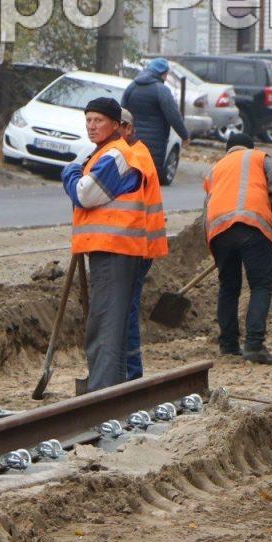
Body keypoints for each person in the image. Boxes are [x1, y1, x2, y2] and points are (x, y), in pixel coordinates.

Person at [61, 96, 154, 391]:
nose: (91, 126)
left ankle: (104, 390)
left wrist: (71, 171)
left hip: (116, 248)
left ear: (117, 125)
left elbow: (85, 193)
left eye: (98, 120)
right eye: (88, 120)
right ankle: (111, 386)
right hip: (111, 247)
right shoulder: (107, 153)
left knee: (106, 323)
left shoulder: (116, 156)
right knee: (108, 321)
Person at [204, 132, 272, 365]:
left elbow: (207, 208)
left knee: (228, 287)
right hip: (252, 227)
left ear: (227, 150)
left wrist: (215, 245)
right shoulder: (258, 157)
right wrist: (270, 211)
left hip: (219, 231)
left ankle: (228, 345)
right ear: (249, 147)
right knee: (261, 286)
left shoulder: (216, 169)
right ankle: (254, 345)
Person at [118, 108, 167, 380]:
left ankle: (132, 373)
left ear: (126, 128)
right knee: (125, 308)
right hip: (134, 244)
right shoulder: (132, 153)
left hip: (136, 246)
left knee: (126, 310)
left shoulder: (134, 157)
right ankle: (127, 371)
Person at [122, 58, 189, 184]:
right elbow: (174, 116)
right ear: (162, 73)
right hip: (155, 142)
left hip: (132, 139)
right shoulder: (161, 90)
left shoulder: (132, 86)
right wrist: (184, 136)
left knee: (130, 173)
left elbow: (122, 112)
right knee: (148, 176)